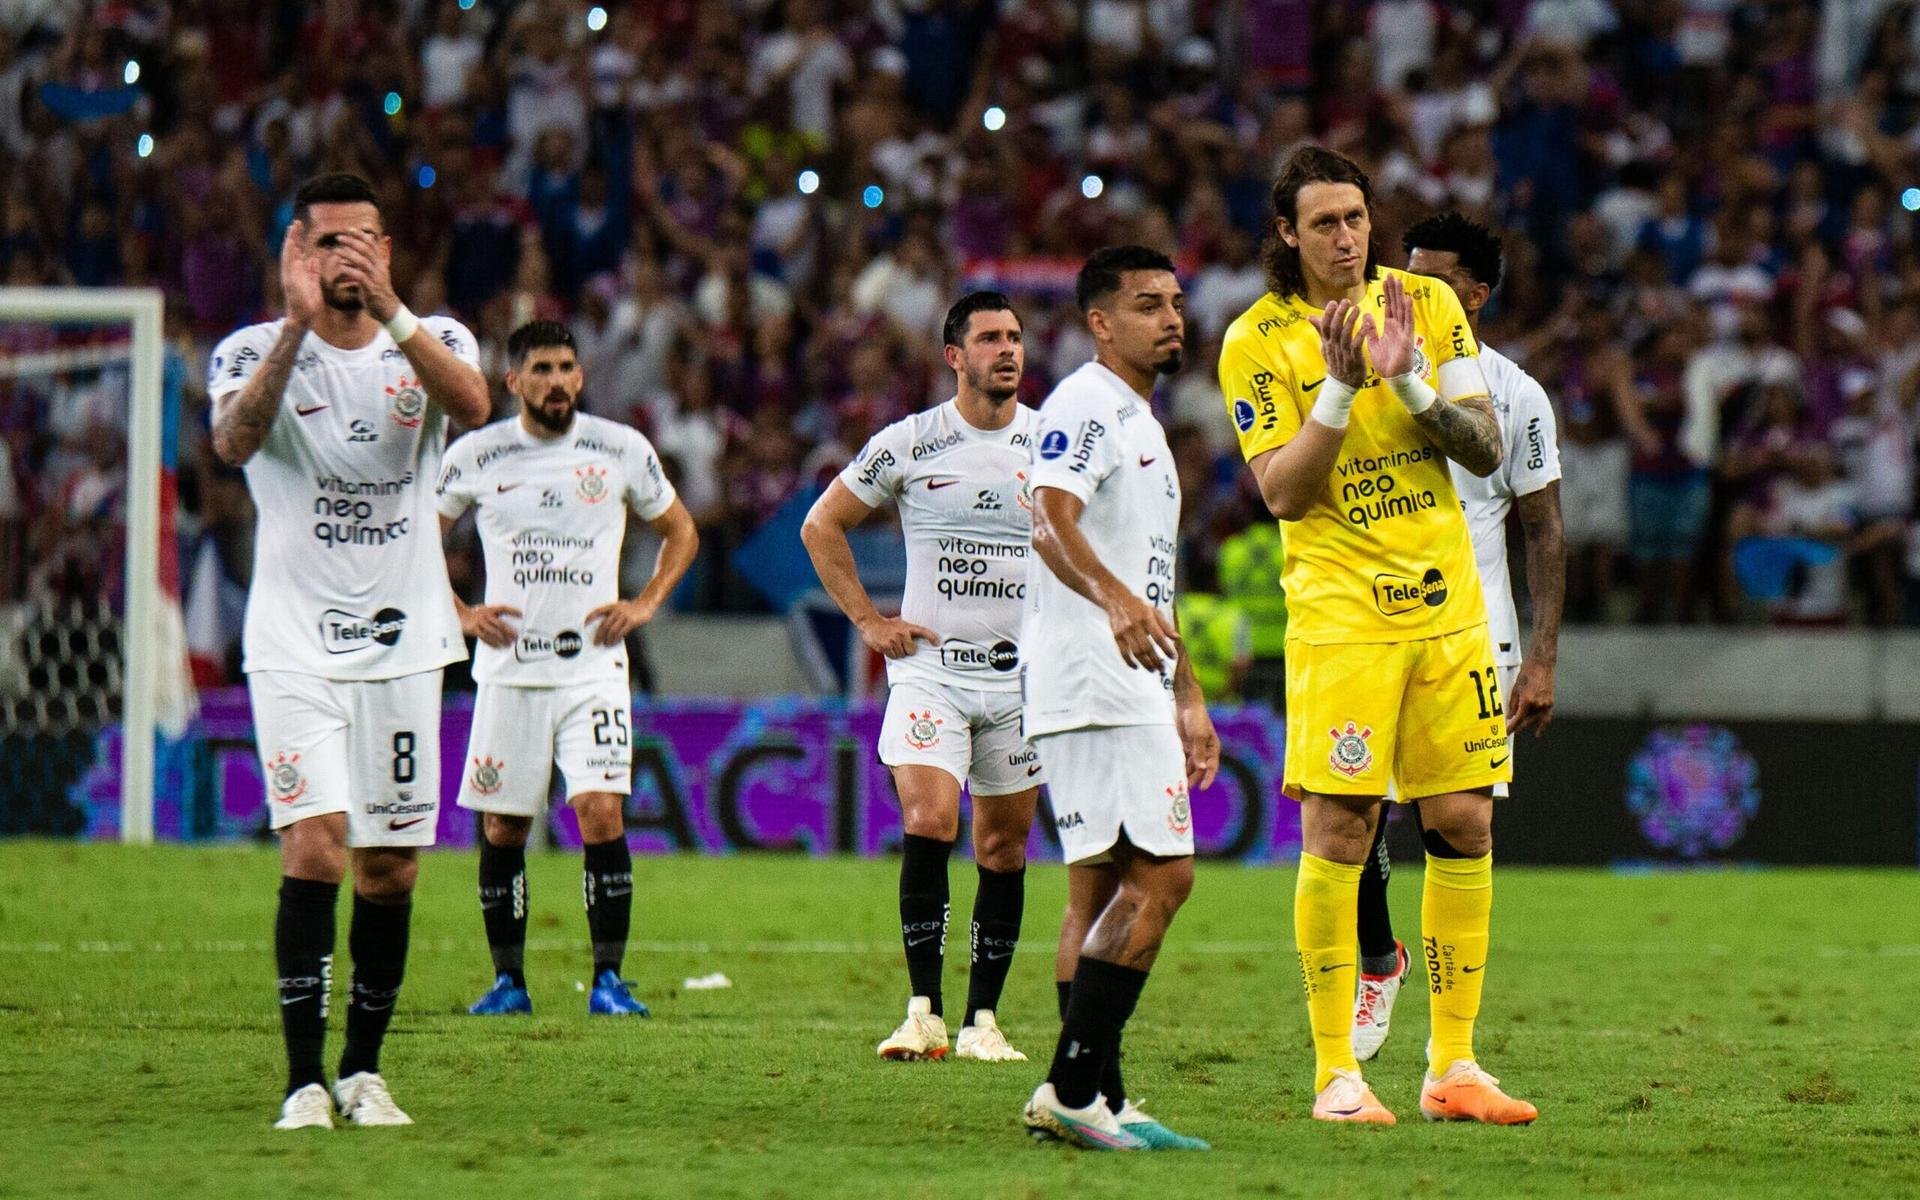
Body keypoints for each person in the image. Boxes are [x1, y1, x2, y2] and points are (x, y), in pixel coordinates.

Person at [1217, 147, 1536, 1126]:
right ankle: (1337, 1077)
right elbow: (1281, 491)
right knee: (1344, 830)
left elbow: (1486, 448)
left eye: (1356, 217)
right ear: (1287, 234)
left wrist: (1409, 387)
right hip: (1343, 616)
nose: (1347, 237)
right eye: (1325, 223)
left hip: (1447, 608)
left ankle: (1454, 1066)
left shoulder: (1426, 307)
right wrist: (1341, 388)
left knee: (1465, 823)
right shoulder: (1258, 340)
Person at [209, 172, 492, 1131]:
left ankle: (363, 1073)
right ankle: (301, 1083)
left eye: (364, 241)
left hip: (408, 646)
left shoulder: (435, 338)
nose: (349, 258)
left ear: (387, 248)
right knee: (318, 848)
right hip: (293, 646)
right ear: (296, 251)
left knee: (391, 870)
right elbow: (233, 443)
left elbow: (476, 406)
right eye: (329, 243)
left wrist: (391, 309)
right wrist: (294, 328)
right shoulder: (251, 351)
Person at [799, 291, 1041, 1063]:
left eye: (1015, 338)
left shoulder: (1052, 443)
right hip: (929, 673)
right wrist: (870, 621)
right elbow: (821, 524)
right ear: (955, 357)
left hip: (1019, 681)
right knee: (931, 820)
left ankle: (984, 1024)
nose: (1008, 350)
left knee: (1003, 851)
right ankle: (923, 1012)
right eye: (990, 339)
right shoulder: (910, 441)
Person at [1347, 211, 1565, 1061]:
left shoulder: (1515, 395)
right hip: (1372, 621)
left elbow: (1544, 530)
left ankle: (1453, 1044)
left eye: (1426, 280)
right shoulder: (1359, 370)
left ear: (1472, 296)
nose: (1399, 292)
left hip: (1474, 635)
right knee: (1355, 813)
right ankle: (1376, 957)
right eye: (1398, 275)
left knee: (1456, 827)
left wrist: (1542, 656)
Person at [435, 320, 698, 1019]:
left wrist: (644, 604)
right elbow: (417, 536)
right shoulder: (477, 455)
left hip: (592, 670)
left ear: (581, 377)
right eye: (542, 369)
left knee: (602, 813)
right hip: (509, 671)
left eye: (567, 368)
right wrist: (458, 612)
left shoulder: (618, 450)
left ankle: (608, 980)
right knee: (504, 829)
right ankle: (508, 984)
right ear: (513, 380)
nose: (557, 380)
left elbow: (681, 530)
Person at [1020, 246, 1219, 1151]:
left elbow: (1151, 576)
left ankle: (1101, 1096)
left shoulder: (1139, 418)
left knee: (1096, 889)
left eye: (1175, 302)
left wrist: (1189, 693)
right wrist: (1112, 604)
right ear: (1101, 323)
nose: (1172, 318)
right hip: (1095, 678)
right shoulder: (1085, 404)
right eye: (1148, 305)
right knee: (1164, 876)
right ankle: (1070, 1088)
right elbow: (1048, 514)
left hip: (1126, 678)